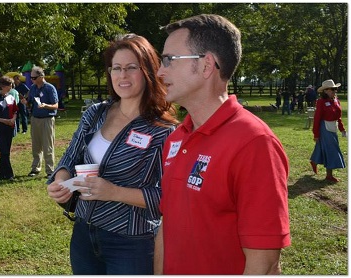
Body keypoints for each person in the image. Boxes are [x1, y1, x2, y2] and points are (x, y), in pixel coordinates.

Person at [154, 14, 291, 275]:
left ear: (207, 66)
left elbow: (264, 263)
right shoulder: (175, 138)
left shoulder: (254, 143)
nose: (160, 71)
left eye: (169, 59)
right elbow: (166, 225)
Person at [47, 33, 178, 275]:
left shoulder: (162, 130)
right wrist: (60, 181)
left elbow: (168, 198)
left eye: (131, 68)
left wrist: (113, 192)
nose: (122, 76)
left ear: (148, 71)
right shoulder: (96, 113)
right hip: (84, 234)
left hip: (131, 243)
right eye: (116, 68)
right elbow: (69, 158)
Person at [309, 79, 346, 182]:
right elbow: (317, 118)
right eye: (332, 89)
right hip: (324, 127)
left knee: (322, 147)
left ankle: (314, 161)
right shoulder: (321, 102)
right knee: (331, 149)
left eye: (335, 89)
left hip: (333, 127)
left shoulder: (336, 100)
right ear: (325, 91)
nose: (334, 91)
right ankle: (329, 175)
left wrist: (342, 129)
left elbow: (339, 117)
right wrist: (316, 133)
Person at [25, 66, 58, 178]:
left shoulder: (50, 88)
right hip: (35, 119)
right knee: (36, 145)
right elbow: (30, 102)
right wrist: (25, 102)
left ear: (41, 76)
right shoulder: (33, 88)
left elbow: (56, 105)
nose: (31, 80)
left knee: (48, 145)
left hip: (47, 119)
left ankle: (50, 170)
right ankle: (35, 169)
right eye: (31, 77)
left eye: (34, 77)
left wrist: (46, 106)